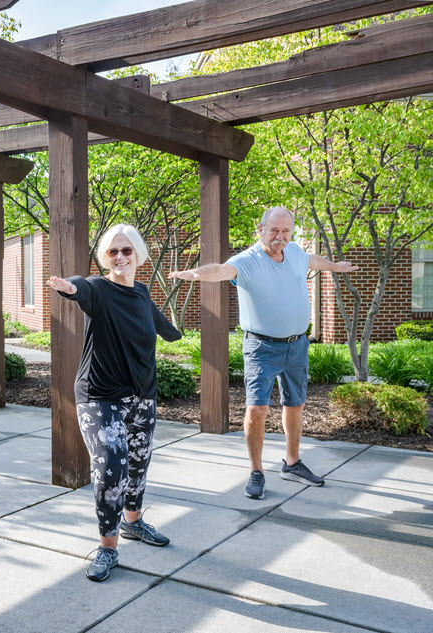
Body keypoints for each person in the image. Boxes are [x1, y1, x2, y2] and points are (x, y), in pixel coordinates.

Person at [169, 206, 358, 500]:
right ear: (260, 230)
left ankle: (292, 463)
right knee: (257, 409)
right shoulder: (247, 261)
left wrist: (335, 266)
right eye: (274, 231)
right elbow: (220, 270)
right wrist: (195, 273)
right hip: (261, 347)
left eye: (286, 231)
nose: (280, 237)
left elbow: (312, 260)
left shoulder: (294, 252)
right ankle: (257, 471)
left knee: (295, 404)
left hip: (297, 345)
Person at [46, 224, 181, 583]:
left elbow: (161, 325)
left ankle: (134, 523)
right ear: (104, 258)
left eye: (126, 251)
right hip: (100, 396)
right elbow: (82, 288)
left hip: (142, 396)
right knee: (110, 469)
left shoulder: (141, 293)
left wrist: (175, 333)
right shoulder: (98, 289)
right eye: (112, 252)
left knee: (137, 465)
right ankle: (108, 547)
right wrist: (70, 288)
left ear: (139, 255)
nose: (120, 257)